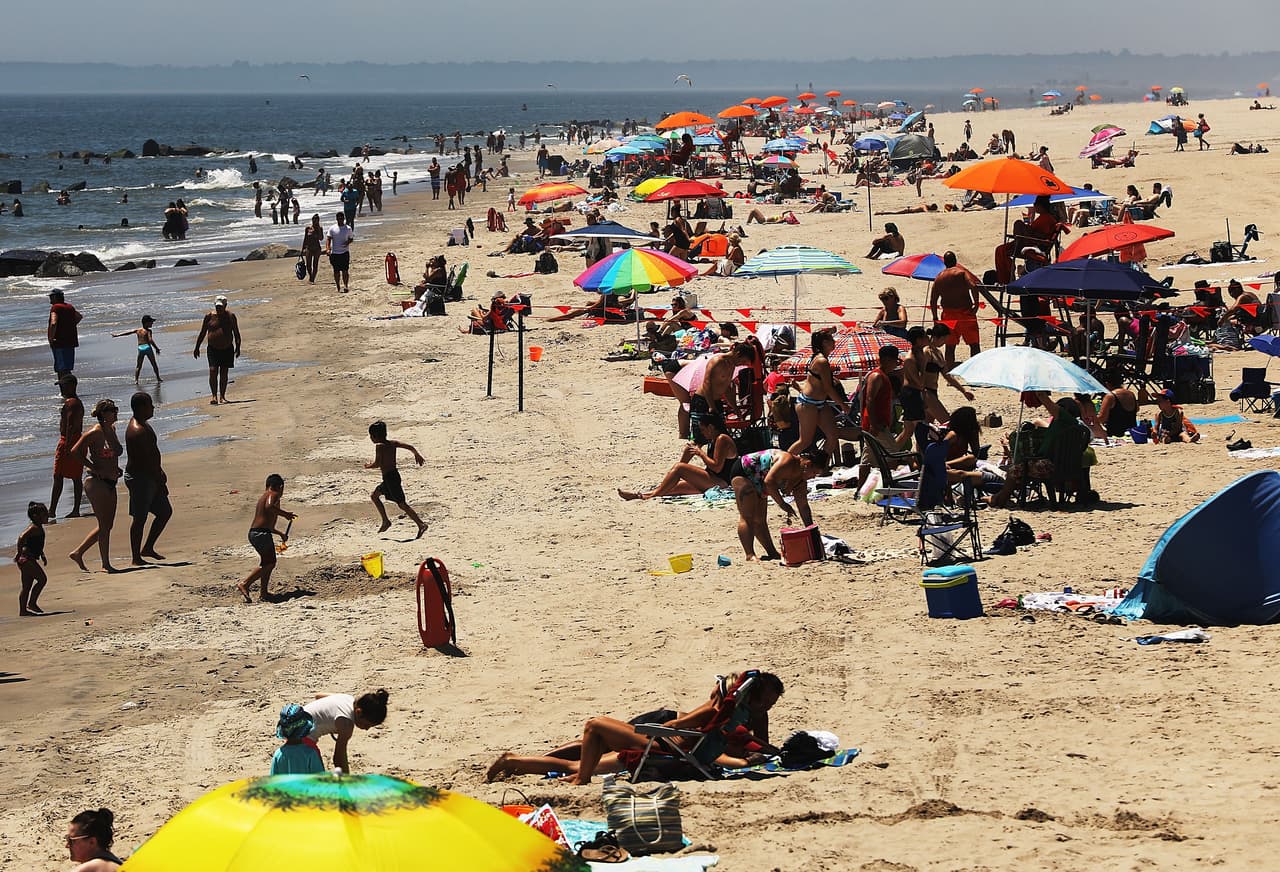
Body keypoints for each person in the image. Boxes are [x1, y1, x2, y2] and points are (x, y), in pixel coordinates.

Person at [486, 671, 784, 784]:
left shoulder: (715, 711)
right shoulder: (734, 718)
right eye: (767, 701)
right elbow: (745, 747)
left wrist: (664, 728)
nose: (768, 706)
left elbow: (675, 725)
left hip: (662, 746)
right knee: (582, 755)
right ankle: (518, 763)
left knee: (594, 727)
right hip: (670, 749)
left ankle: (525, 764)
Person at [732, 448, 827, 561]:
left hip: (762, 480)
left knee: (760, 520)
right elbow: (769, 481)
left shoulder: (801, 481)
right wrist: (782, 504)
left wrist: (812, 532)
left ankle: (772, 553)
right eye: (814, 473)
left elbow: (804, 507)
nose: (814, 477)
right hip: (745, 470)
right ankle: (750, 554)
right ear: (808, 464)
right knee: (747, 516)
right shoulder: (788, 461)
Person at [618, 413, 737, 501]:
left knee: (679, 468)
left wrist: (700, 453)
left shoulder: (722, 439)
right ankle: (639, 496)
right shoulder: (713, 439)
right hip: (712, 478)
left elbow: (717, 467)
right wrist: (690, 451)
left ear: (711, 427)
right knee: (670, 487)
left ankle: (649, 496)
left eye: (703, 429)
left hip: (722, 482)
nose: (702, 433)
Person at [68, 400, 123, 574]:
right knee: (104, 525)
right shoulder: (95, 432)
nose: (116, 412)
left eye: (116, 409)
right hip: (96, 482)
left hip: (111, 481)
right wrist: (93, 467)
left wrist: (115, 468)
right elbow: (75, 451)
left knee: (107, 525)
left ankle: (78, 552)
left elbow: (111, 455)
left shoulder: (112, 429)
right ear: (103, 413)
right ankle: (105, 564)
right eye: (112, 410)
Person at [787, 330, 850, 465]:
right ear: (825, 343)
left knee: (833, 435)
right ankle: (782, 464)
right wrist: (843, 405)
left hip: (819, 402)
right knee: (805, 441)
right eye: (831, 340)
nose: (834, 342)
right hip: (808, 404)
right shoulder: (821, 361)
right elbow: (828, 388)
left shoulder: (820, 358)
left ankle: (820, 466)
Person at [123, 391, 171, 565]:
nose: (153, 407)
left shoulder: (144, 425)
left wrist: (160, 473)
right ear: (141, 407)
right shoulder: (138, 431)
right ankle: (136, 557)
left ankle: (148, 547)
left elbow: (152, 455)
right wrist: (159, 481)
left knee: (164, 512)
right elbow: (146, 461)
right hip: (141, 478)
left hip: (150, 476)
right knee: (140, 518)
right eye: (150, 405)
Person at [237, 474, 297, 603]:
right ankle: (245, 584)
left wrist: (280, 534)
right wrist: (285, 514)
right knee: (270, 563)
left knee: (267, 563)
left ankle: (264, 593)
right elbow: (269, 507)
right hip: (261, 534)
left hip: (257, 533)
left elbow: (268, 525)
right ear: (280, 487)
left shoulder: (264, 497)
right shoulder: (272, 494)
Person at [365, 421, 428, 538]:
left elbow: (378, 463)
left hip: (390, 479)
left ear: (375, 436)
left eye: (371, 436)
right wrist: (416, 454)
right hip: (392, 477)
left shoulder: (380, 447)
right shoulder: (392, 443)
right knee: (374, 496)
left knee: (402, 504)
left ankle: (421, 524)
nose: (370, 438)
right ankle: (385, 521)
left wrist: (368, 466)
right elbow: (410, 447)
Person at [303, 689, 390, 772]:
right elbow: (339, 758)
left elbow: (318, 696)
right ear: (358, 712)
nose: (367, 729)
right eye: (366, 725)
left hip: (296, 721)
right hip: (302, 739)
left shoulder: (347, 698)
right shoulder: (347, 724)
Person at [928, 251, 982, 367]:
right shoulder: (961, 273)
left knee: (950, 346)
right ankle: (975, 370)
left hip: (948, 315)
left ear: (945, 263)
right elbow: (973, 286)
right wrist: (976, 304)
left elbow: (933, 300)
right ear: (955, 261)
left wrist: (935, 317)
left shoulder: (939, 277)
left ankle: (949, 372)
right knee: (974, 344)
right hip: (965, 313)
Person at [192, 295, 241, 405]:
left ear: (225, 306)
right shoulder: (209, 317)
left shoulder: (230, 316)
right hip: (213, 349)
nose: (219, 309)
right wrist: (197, 347)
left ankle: (222, 396)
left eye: (221, 307)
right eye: (217, 307)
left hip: (227, 348)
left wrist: (238, 347)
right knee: (213, 370)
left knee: (224, 372)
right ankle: (214, 396)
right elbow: (202, 332)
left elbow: (236, 332)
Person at [50, 374, 85, 520]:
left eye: (63, 386)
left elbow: (70, 425)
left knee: (59, 476)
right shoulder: (75, 402)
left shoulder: (72, 403)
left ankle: (53, 510)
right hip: (75, 440)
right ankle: (71, 509)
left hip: (69, 441)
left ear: (72, 386)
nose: (62, 389)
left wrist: (68, 447)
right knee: (74, 476)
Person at [271, 704, 326, 775]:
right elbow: (320, 778)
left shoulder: (278, 754)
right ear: (305, 729)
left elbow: (273, 779)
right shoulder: (310, 753)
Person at [16, 502, 49, 615]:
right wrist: (18, 552)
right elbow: (21, 537)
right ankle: (32, 603)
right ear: (36, 516)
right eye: (44, 514)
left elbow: (35, 544)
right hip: (26, 559)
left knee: (26, 586)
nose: (47, 516)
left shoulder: (38, 527)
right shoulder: (34, 528)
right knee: (42, 579)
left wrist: (42, 555)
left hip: (26, 559)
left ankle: (23, 611)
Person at [111, 315, 162, 383]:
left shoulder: (138, 330)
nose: (152, 323)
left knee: (138, 366)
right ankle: (158, 378)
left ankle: (136, 380)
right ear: (146, 323)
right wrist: (156, 348)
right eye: (151, 322)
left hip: (140, 348)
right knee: (154, 364)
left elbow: (128, 333)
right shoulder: (148, 331)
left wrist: (117, 335)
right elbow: (150, 340)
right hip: (147, 347)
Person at [48, 290, 82, 377]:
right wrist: (69, 326)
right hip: (71, 341)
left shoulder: (55, 307)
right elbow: (79, 317)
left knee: (61, 369)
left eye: (51, 297)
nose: (50, 299)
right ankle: (68, 385)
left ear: (55, 297)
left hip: (59, 342)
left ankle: (64, 385)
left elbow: (53, 323)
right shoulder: (69, 307)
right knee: (67, 368)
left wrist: (51, 338)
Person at [324, 211, 354, 293]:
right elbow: (328, 239)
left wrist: (347, 242)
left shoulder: (348, 228)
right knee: (336, 271)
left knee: (345, 270)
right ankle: (338, 285)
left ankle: (345, 285)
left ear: (344, 218)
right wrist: (328, 249)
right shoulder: (332, 228)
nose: (340, 219)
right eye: (339, 218)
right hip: (335, 253)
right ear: (336, 219)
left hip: (344, 252)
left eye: (341, 218)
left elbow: (351, 238)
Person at [301, 213, 324, 283]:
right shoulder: (308, 228)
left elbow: (321, 238)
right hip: (309, 248)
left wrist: (318, 230)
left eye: (316, 220)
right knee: (308, 265)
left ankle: (312, 279)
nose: (314, 222)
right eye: (313, 220)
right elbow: (305, 239)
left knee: (315, 264)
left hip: (317, 248)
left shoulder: (320, 228)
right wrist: (303, 248)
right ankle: (311, 276)